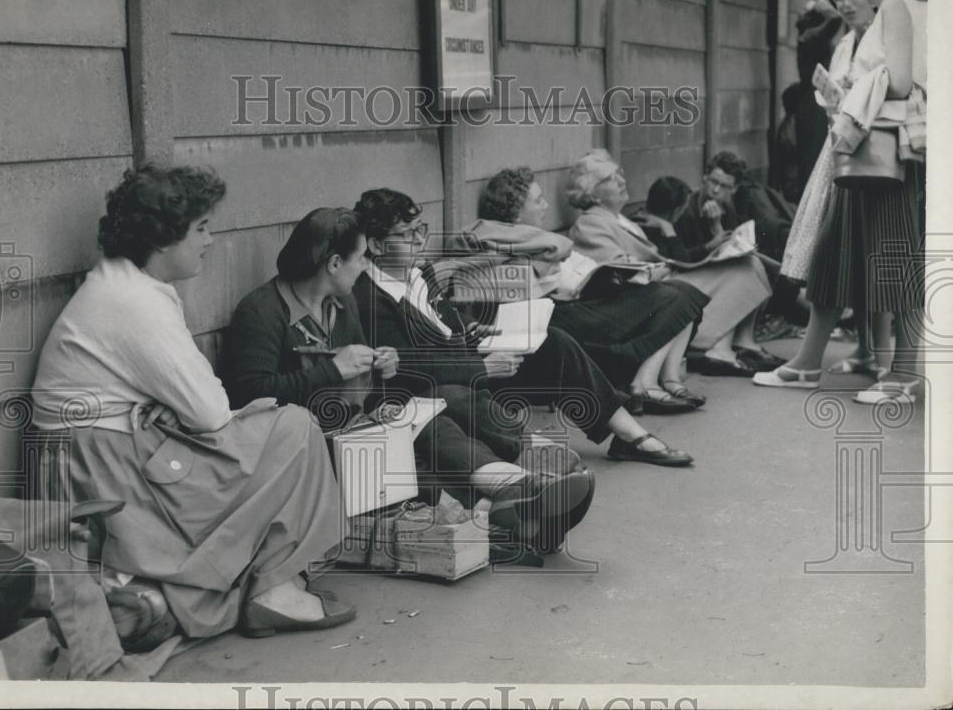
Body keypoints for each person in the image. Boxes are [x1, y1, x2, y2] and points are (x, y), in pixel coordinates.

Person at [30, 164, 355, 640]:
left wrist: (171, 403)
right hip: (100, 466)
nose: (210, 239)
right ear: (164, 238)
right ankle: (270, 589)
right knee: (295, 428)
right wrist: (183, 405)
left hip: (108, 451)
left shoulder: (126, 283)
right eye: (201, 228)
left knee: (280, 429)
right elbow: (208, 411)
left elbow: (193, 401)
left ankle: (177, 596)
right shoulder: (133, 300)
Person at [219, 207, 592, 551]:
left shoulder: (341, 302)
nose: (367, 265)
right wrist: (332, 370)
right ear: (334, 263)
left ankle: (517, 499)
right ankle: (518, 508)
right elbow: (248, 396)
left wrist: (383, 368)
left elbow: (361, 378)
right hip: (307, 444)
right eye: (362, 257)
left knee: (433, 423)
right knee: (406, 461)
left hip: (355, 422)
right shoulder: (262, 311)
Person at [352, 188, 695, 467]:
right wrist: (481, 364)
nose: (417, 241)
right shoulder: (370, 297)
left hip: (469, 367)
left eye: (419, 230)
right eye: (405, 235)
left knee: (554, 342)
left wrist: (475, 332)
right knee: (465, 394)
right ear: (376, 245)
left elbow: (446, 327)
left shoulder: (419, 274)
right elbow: (407, 366)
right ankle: (531, 456)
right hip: (439, 391)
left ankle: (629, 435)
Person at [754, 0, 927, 404]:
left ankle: (903, 376)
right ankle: (848, 363)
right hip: (881, 149)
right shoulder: (909, 4)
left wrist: (856, 88)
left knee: (894, 257)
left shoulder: (893, 6)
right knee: (857, 251)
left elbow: (902, 80)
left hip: (886, 150)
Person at [465, 168, 710, 413]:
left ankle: (658, 380)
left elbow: (581, 267)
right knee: (672, 294)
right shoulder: (506, 242)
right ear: (516, 213)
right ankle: (645, 383)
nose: (546, 205)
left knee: (679, 291)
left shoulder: (539, 238)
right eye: (538, 200)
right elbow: (527, 291)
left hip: (582, 303)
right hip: (560, 315)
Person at [567, 152, 780, 379]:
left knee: (750, 262)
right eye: (610, 179)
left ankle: (740, 342)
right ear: (594, 195)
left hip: (663, 281)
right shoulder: (590, 223)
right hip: (648, 292)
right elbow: (619, 270)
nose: (621, 181)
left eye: (619, 174)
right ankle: (718, 349)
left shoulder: (618, 219)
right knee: (743, 268)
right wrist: (666, 265)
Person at [781, 0, 890, 381]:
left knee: (862, 245)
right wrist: (833, 95)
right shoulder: (844, 42)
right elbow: (842, 100)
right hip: (841, 147)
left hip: (876, 151)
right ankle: (866, 352)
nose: (845, 5)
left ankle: (872, 357)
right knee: (854, 245)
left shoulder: (886, 38)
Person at [671, 153, 779, 374]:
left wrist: (719, 230)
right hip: (688, 279)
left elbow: (727, 249)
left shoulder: (726, 207)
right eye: (712, 182)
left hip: (710, 277)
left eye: (724, 186)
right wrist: (711, 242)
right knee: (747, 268)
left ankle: (744, 340)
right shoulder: (688, 209)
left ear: (734, 189)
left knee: (752, 262)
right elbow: (679, 259)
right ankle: (722, 347)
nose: (716, 190)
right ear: (704, 178)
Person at [794, 0, 845, 200]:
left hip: (812, 103)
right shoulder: (811, 36)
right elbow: (835, 18)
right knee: (813, 163)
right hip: (813, 105)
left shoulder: (809, 37)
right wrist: (817, 2)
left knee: (813, 161)